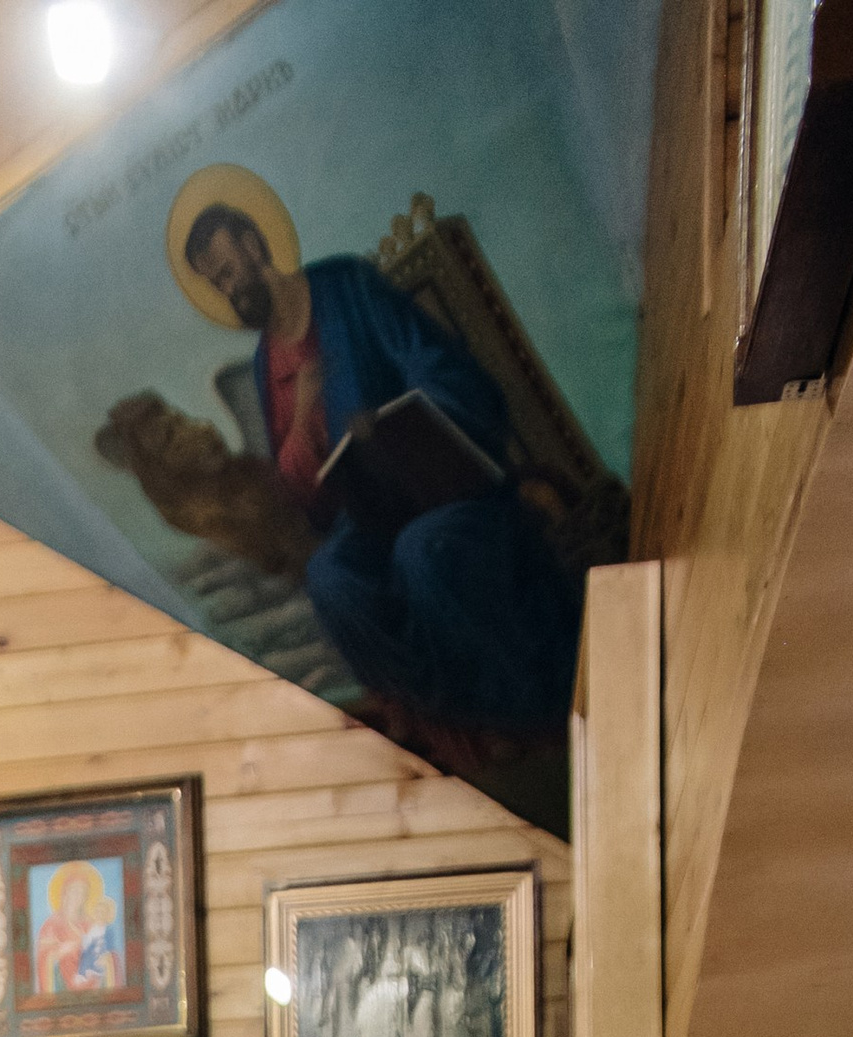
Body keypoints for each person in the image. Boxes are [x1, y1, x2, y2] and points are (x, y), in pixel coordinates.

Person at [180, 200, 580, 739]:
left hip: (445, 488)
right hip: (367, 514)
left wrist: (397, 426)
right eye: (217, 285)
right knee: (331, 580)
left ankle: (524, 708)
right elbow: (304, 497)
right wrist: (303, 424)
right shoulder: (264, 366)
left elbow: (441, 371)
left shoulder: (346, 288)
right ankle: (449, 719)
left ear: (254, 245)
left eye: (228, 272)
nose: (230, 292)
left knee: (424, 551)